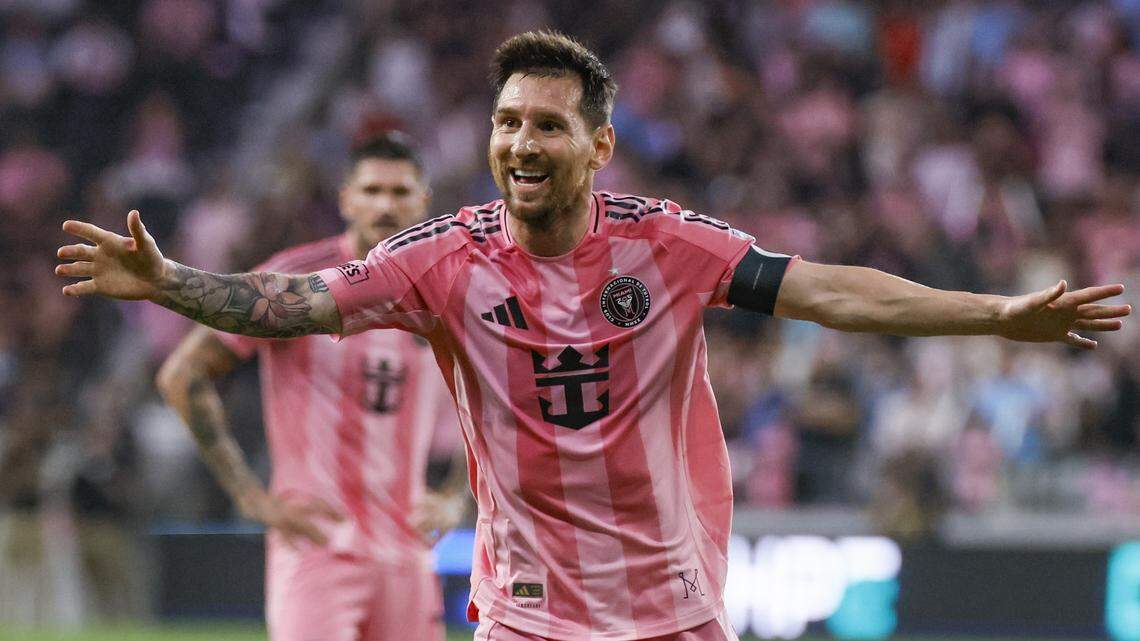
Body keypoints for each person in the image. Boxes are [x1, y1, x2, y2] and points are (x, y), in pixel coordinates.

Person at [56, 31, 1130, 641]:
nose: (521, 142)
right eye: (508, 122)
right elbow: (289, 304)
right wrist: (169, 282)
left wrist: (992, 312)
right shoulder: (444, 255)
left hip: (672, 601)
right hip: (528, 610)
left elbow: (827, 291)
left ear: (600, 143)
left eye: (548, 124)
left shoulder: (666, 245)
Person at [154, 134, 468, 641]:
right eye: (371, 190)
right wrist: (249, 496)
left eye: (400, 191)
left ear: (423, 201)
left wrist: (456, 494)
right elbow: (183, 374)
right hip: (318, 543)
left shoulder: (443, 291)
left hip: (406, 551)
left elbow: (495, 397)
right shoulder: (298, 278)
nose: (385, 205)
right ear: (345, 199)